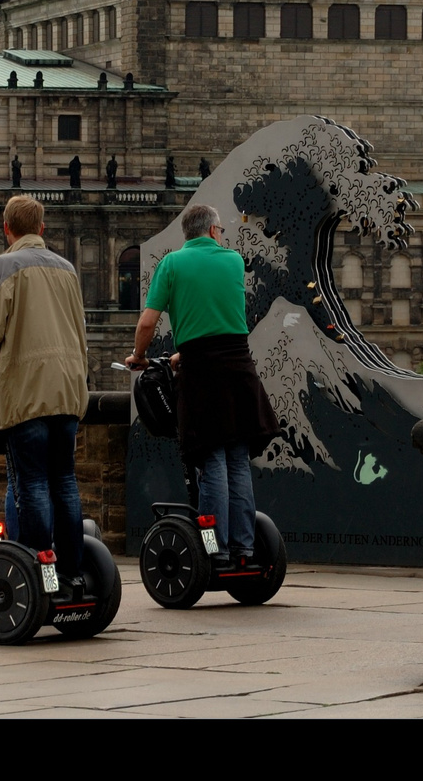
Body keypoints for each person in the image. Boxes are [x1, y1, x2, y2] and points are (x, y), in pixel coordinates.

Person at [126, 203, 278, 571]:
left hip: (202, 375)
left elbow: (148, 323)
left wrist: (139, 355)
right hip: (238, 368)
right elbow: (219, 325)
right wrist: (181, 355)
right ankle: (243, 549)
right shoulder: (233, 262)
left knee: (211, 462)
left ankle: (215, 550)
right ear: (212, 231)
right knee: (238, 461)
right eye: (221, 230)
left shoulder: (172, 264)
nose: (222, 234)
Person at [0, 196, 88, 593]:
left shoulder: (6, 265)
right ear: (42, 229)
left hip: (28, 392)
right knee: (64, 480)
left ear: (6, 229)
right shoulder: (67, 269)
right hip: (67, 389)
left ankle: (40, 568)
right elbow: (79, 332)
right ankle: (72, 571)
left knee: (30, 483)